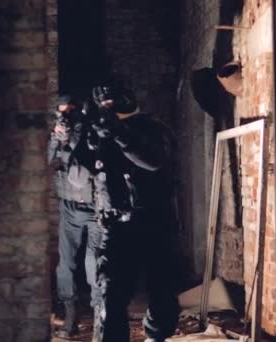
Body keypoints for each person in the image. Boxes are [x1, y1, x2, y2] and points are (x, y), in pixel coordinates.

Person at [87, 82, 181, 342]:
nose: (108, 109)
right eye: (102, 105)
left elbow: (152, 160)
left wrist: (119, 132)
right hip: (116, 224)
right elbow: (85, 172)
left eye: (111, 103)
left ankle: (156, 336)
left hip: (154, 220)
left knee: (161, 289)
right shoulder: (102, 133)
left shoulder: (153, 128)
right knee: (111, 293)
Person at [48, 94, 101, 339]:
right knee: (65, 266)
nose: (66, 117)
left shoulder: (92, 129)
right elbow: (47, 162)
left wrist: (69, 140)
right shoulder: (59, 134)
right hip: (69, 206)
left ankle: (100, 314)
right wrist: (56, 140)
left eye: (70, 112)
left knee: (94, 263)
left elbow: (83, 161)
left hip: (94, 207)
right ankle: (70, 315)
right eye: (62, 113)